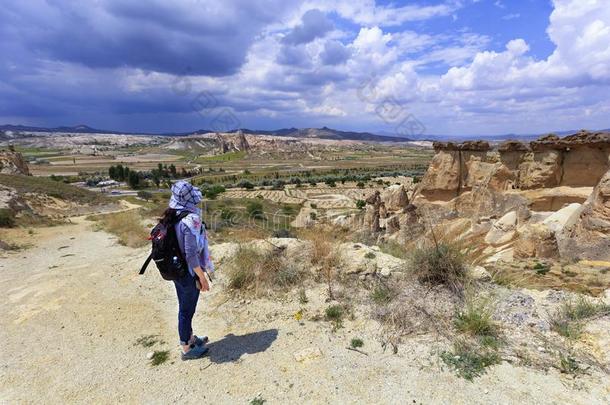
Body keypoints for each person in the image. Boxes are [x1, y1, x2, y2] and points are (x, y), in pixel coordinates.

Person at [161, 180, 215, 360]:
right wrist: (202, 277)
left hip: (177, 269)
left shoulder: (173, 215)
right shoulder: (190, 220)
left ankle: (190, 338)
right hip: (188, 272)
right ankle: (186, 348)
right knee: (186, 310)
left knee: (185, 307)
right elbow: (191, 254)